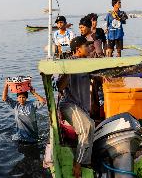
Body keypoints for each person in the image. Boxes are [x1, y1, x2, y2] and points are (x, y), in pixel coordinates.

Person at [57, 36, 95, 178]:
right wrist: (69, 71)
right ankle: (78, 163)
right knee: (86, 127)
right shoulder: (67, 63)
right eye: (86, 45)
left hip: (82, 107)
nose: (90, 47)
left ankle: (86, 160)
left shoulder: (87, 63)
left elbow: (96, 78)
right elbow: (59, 87)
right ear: (78, 49)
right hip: (68, 104)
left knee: (91, 123)